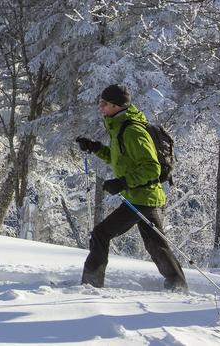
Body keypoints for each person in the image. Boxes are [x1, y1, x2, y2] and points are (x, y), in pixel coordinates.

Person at [75, 84, 187, 291]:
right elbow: (120, 160)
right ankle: (177, 284)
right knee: (156, 245)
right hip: (144, 196)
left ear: (117, 106)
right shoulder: (120, 127)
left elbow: (151, 168)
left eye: (104, 103)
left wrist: (123, 183)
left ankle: (90, 284)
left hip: (141, 196)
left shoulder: (132, 131)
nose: (101, 107)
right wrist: (95, 147)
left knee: (101, 233)